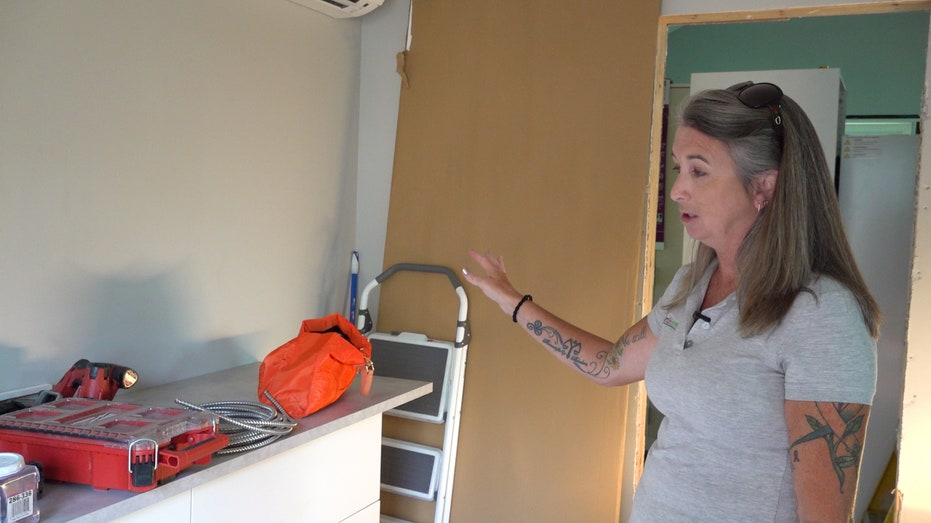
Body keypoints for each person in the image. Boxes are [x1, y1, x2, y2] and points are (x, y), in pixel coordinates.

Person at [462, 81, 879, 522]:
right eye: (678, 168)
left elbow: (825, 517)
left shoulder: (821, 315)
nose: (677, 189)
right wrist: (512, 302)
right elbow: (609, 364)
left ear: (765, 188)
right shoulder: (693, 285)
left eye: (698, 171)